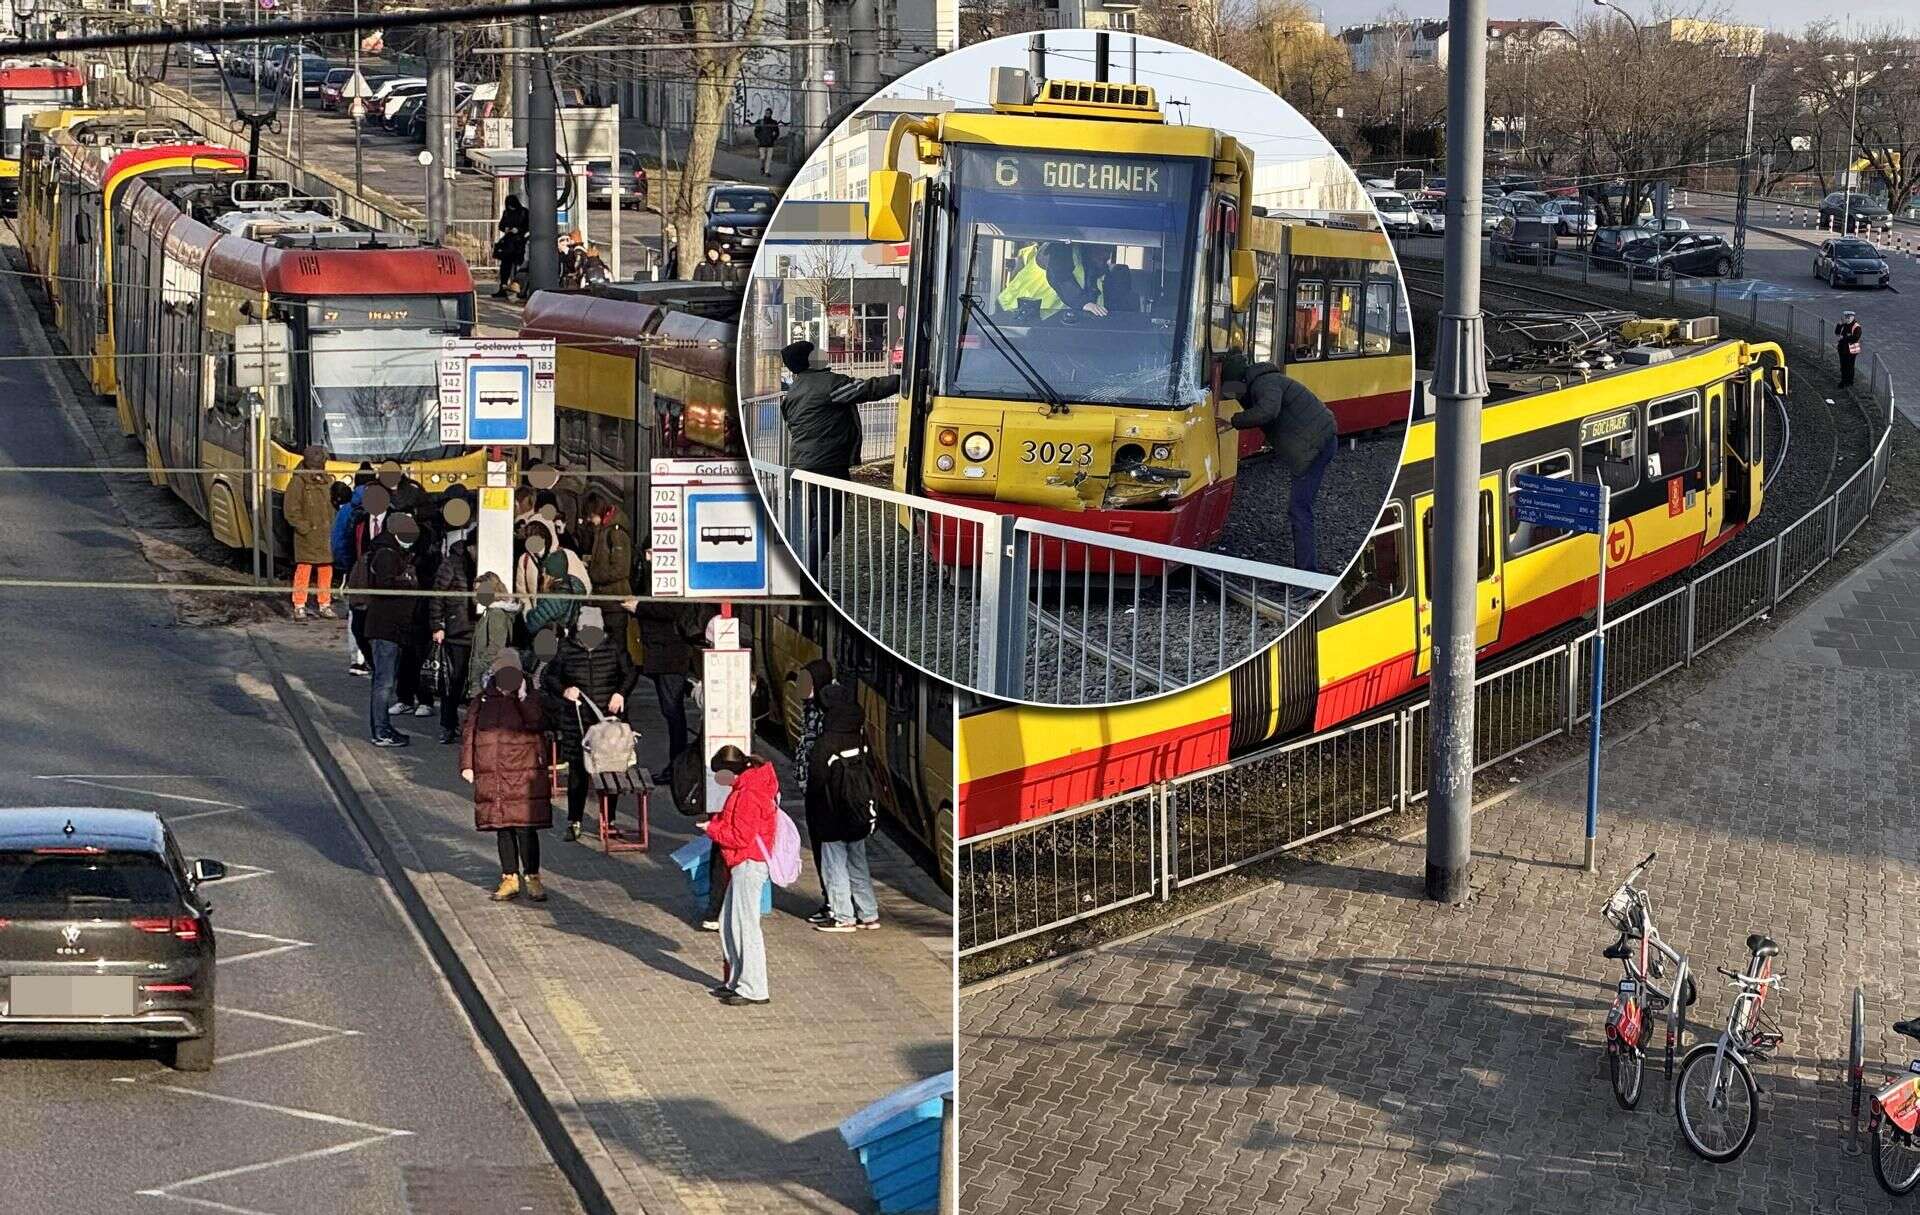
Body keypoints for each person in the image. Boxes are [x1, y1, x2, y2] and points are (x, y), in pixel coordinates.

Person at [777, 339, 900, 566]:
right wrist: (903, 381)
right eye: (816, 351)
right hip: (828, 465)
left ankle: (804, 574)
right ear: (810, 359)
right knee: (828, 523)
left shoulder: (794, 389)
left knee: (811, 522)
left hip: (802, 464)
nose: (823, 352)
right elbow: (867, 389)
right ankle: (806, 578)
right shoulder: (828, 384)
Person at [1219, 351, 1338, 573]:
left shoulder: (1266, 383)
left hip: (1314, 447)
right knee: (1300, 508)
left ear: (1239, 380)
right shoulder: (1264, 380)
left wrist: (1234, 421)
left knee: (1299, 510)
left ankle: (1307, 576)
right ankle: (1305, 569)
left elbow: (1267, 412)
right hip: (1315, 443)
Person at [541, 606, 639, 841]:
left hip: (609, 724)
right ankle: (574, 820)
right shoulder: (566, 648)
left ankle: (610, 820)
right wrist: (565, 690)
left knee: (612, 771)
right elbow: (550, 677)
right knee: (578, 772)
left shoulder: (614, 647)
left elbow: (630, 673)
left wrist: (621, 693)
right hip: (577, 722)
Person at [461, 650, 551, 903]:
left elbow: (537, 723)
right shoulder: (483, 700)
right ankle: (509, 877)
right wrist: (467, 765)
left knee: (525, 829)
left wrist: (523, 698)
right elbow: (469, 733)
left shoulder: (529, 696)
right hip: (495, 774)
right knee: (502, 828)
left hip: (523, 774)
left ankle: (532, 876)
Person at [700, 745, 779, 1006]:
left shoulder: (747, 794)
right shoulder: (750, 784)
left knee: (746, 925)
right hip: (745, 862)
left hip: (749, 861)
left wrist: (712, 829)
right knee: (729, 921)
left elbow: (740, 836)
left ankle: (753, 988)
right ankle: (736, 980)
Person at [809, 664, 881, 933]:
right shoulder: (859, 735)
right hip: (858, 811)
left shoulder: (826, 743)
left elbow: (816, 781)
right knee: (858, 863)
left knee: (834, 866)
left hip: (831, 815)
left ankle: (843, 916)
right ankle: (869, 913)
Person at [365, 512, 421, 746]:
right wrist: (407, 581)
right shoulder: (387, 554)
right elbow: (385, 585)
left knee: (383, 681)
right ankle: (381, 731)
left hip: (388, 627)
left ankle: (382, 727)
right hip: (386, 628)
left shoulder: (389, 550)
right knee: (384, 682)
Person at [429, 519, 477, 745]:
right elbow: (437, 595)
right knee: (454, 681)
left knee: (472, 681)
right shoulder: (452, 563)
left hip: (476, 630)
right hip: (458, 630)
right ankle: (448, 725)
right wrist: (437, 625)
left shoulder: (485, 564)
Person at [281, 444, 338, 621]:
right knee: (304, 569)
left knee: (326, 569)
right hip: (307, 536)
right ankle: (299, 605)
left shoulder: (329, 480)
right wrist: (304, 527)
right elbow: (291, 510)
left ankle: (325, 604)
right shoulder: (298, 482)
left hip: (326, 534)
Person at [585, 495, 633, 646]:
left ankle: (625, 670)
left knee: (617, 647)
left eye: (591, 515)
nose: (589, 520)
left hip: (614, 600)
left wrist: (594, 574)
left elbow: (621, 569)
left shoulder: (615, 532)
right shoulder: (604, 530)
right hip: (606, 599)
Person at [524, 550, 584, 639]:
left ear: (552, 575)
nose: (543, 574)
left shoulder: (555, 597)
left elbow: (532, 624)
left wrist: (543, 593)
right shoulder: (570, 588)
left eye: (546, 571)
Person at [494, 194, 529, 300]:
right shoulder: (507, 213)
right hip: (508, 243)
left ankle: (518, 289)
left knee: (518, 267)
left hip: (519, 242)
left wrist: (519, 230)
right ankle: (503, 287)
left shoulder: (524, 212)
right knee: (505, 267)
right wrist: (506, 228)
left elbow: (528, 226)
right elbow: (501, 225)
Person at [1837, 310, 1863, 388]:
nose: (1846, 319)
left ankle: (1849, 381)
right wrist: (1839, 325)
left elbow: (1855, 338)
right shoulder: (1844, 325)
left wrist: (1844, 337)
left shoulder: (1856, 327)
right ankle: (1843, 380)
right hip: (1842, 348)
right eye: (1846, 317)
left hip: (1852, 349)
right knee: (1843, 366)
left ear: (1852, 317)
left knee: (1850, 366)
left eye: (1848, 317)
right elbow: (1837, 332)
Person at [753, 108, 781, 177]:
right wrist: (759, 138)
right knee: (762, 157)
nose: (767, 114)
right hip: (762, 143)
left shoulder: (774, 122)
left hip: (770, 143)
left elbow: (777, 132)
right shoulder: (760, 122)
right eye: (766, 113)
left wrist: (773, 139)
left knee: (769, 158)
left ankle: (766, 172)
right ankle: (762, 166)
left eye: (768, 113)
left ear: (771, 114)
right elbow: (756, 131)